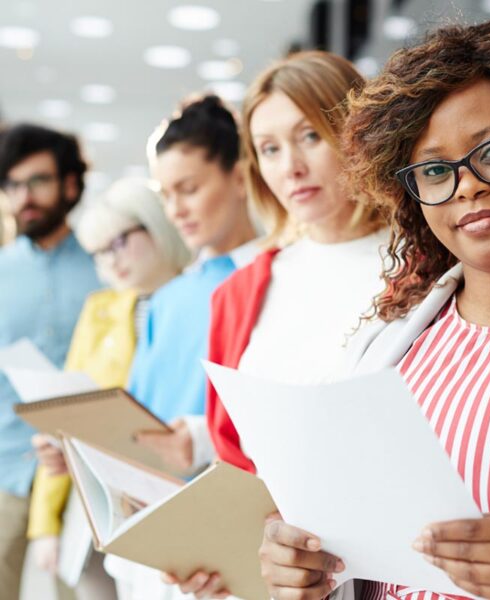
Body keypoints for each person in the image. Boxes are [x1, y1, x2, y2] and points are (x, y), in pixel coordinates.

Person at [257, 19, 490, 600]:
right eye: (436, 170)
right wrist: (302, 567)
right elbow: (345, 542)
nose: (466, 187)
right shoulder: (386, 347)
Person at [169, 51, 389, 597]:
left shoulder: (429, 265)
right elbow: (234, 460)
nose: (289, 166)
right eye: (269, 148)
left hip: (397, 569)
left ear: (358, 131)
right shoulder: (242, 292)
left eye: (310, 136)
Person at [108, 95, 258, 600]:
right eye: (165, 194)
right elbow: (136, 410)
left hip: (220, 538)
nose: (176, 211)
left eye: (189, 189)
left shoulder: (266, 281)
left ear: (239, 177)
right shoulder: (167, 298)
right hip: (149, 528)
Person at [28, 178, 190, 600]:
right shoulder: (101, 311)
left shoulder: (200, 298)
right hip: (101, 503)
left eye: (118, 243)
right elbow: (63, 411)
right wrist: (45, 524)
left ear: (155, 227)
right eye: (99, 253)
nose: (111, 262)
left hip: (176, 497)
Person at [0, 124, 100, 600]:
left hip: (86, 472)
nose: (25, 196)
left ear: (70, 185)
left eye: (37, 181)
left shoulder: (107, 267)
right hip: (5, 469)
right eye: (14, 184)